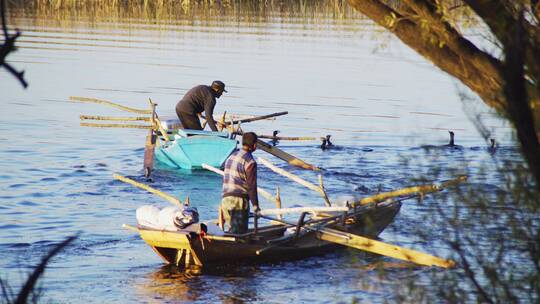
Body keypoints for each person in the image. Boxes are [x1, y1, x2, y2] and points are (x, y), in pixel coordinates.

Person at [219, 132, 260, 234]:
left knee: (231, 232)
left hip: (225, 199)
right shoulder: (250, 161)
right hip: (238, 201)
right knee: (239, 235)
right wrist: (255, 205)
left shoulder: (231, 156)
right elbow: (251, 185)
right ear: (254, 145)